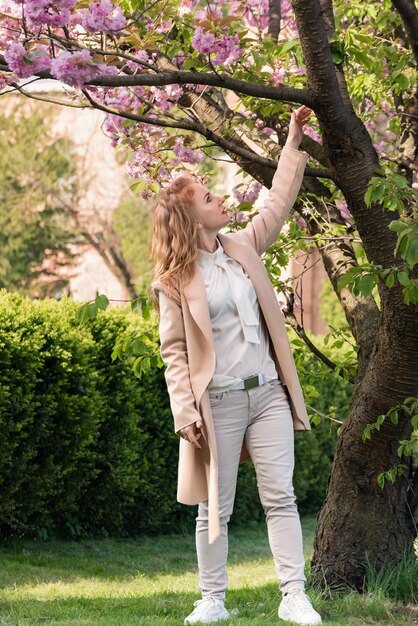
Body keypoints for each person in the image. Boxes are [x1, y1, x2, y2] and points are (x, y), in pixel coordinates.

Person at [150, 105, 322, 626]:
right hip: (217, 400)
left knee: (280, 496)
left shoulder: (244, 247)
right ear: (189, 217)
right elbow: (174, 351)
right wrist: (185, 411)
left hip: (268, 391)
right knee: (214, 509)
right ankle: (212, 600)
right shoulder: (174, 281)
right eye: (208, 197)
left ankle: (294, 594)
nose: (219, 198)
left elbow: (276, 203)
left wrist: (292, 145)